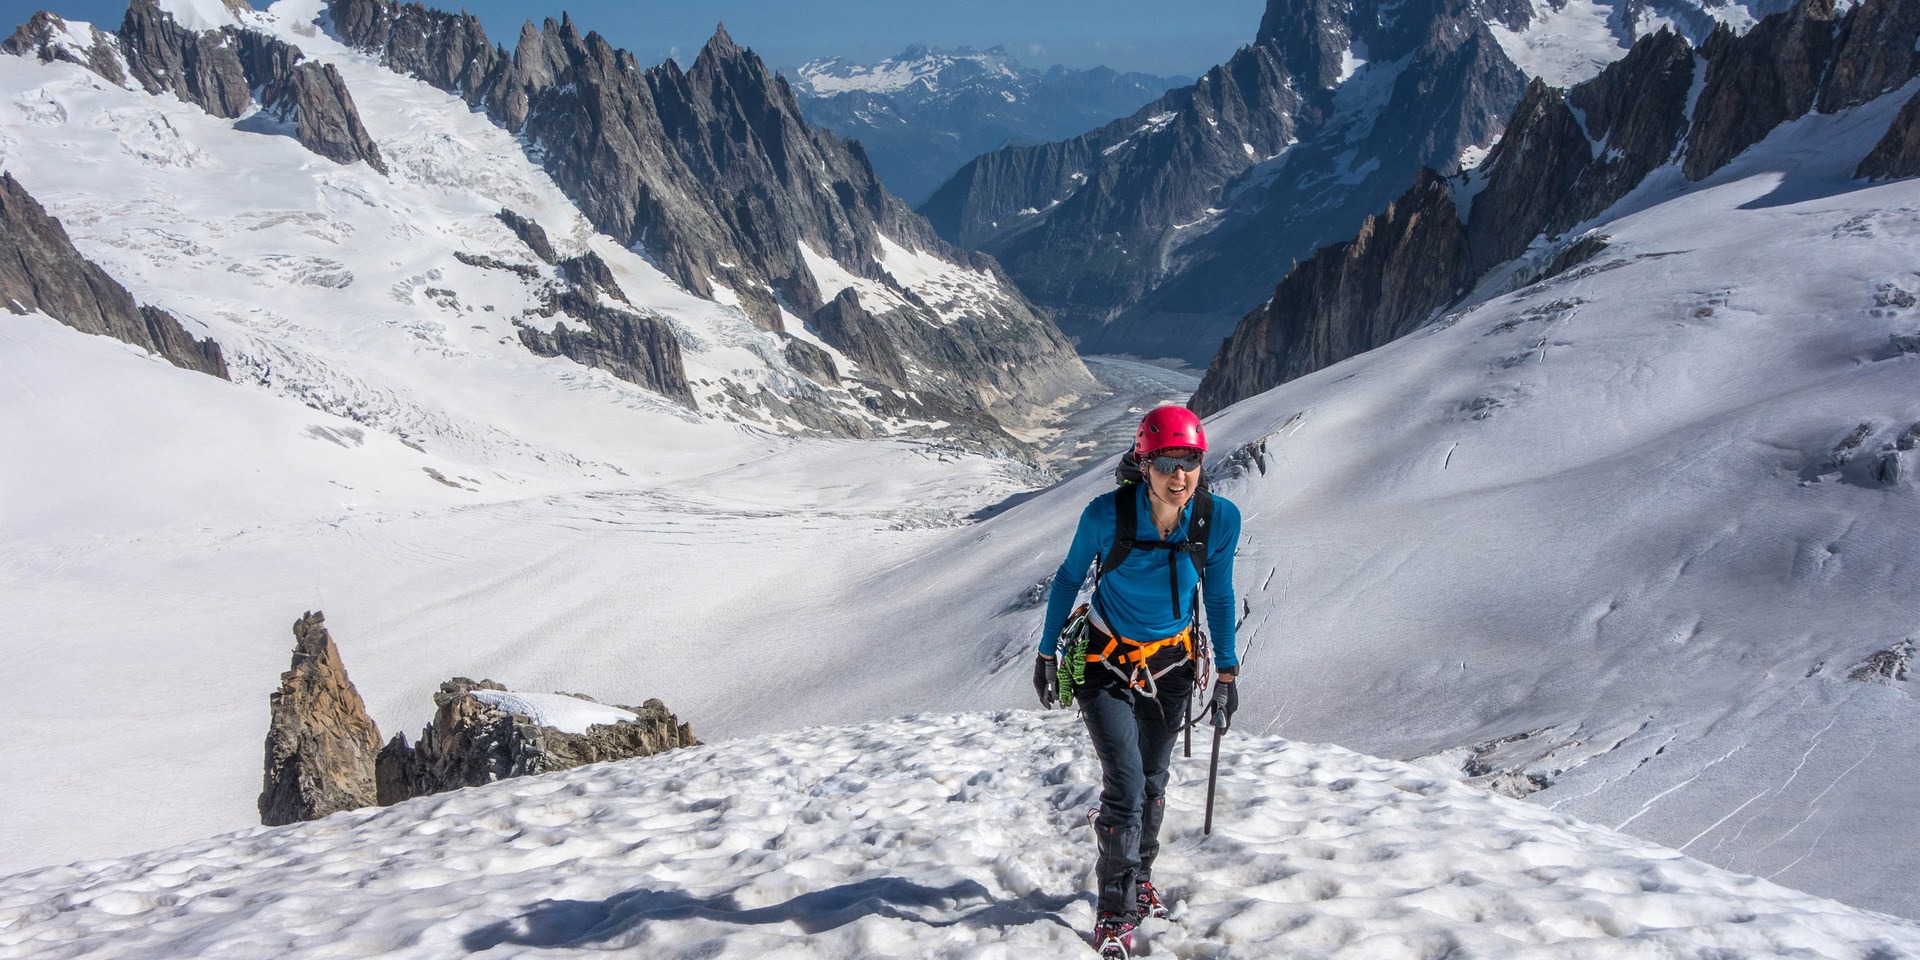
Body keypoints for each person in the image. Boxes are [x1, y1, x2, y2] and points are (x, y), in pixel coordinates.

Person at [1034, 405, 1241, 957]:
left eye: (1190, 462)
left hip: (1173, 666)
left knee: (1152, 779)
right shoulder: (1107, 515)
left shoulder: (1217, 521)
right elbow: (1069, 578)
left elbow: (1218, 595)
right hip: (1105, 665)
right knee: (1125, 787)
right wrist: (1047, 651)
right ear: (1143, 464)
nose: (1180, 477)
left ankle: (1138, 871)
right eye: (1167, 463)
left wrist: (1227, 669)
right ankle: (1115, 911)